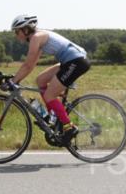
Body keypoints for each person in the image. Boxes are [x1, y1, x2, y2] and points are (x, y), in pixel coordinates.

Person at [7, 14, 90, 145]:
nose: (16, 35)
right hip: (71, 61)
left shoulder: (36, 37)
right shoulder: (37, 38)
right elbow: (31, 64)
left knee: (49, 95)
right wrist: (16, 79)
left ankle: (69, 127)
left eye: (17, 31)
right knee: (40, 80)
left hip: (76, 61)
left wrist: (13, 81)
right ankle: (53, 117)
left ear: (26, 29)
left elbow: (27, 65)